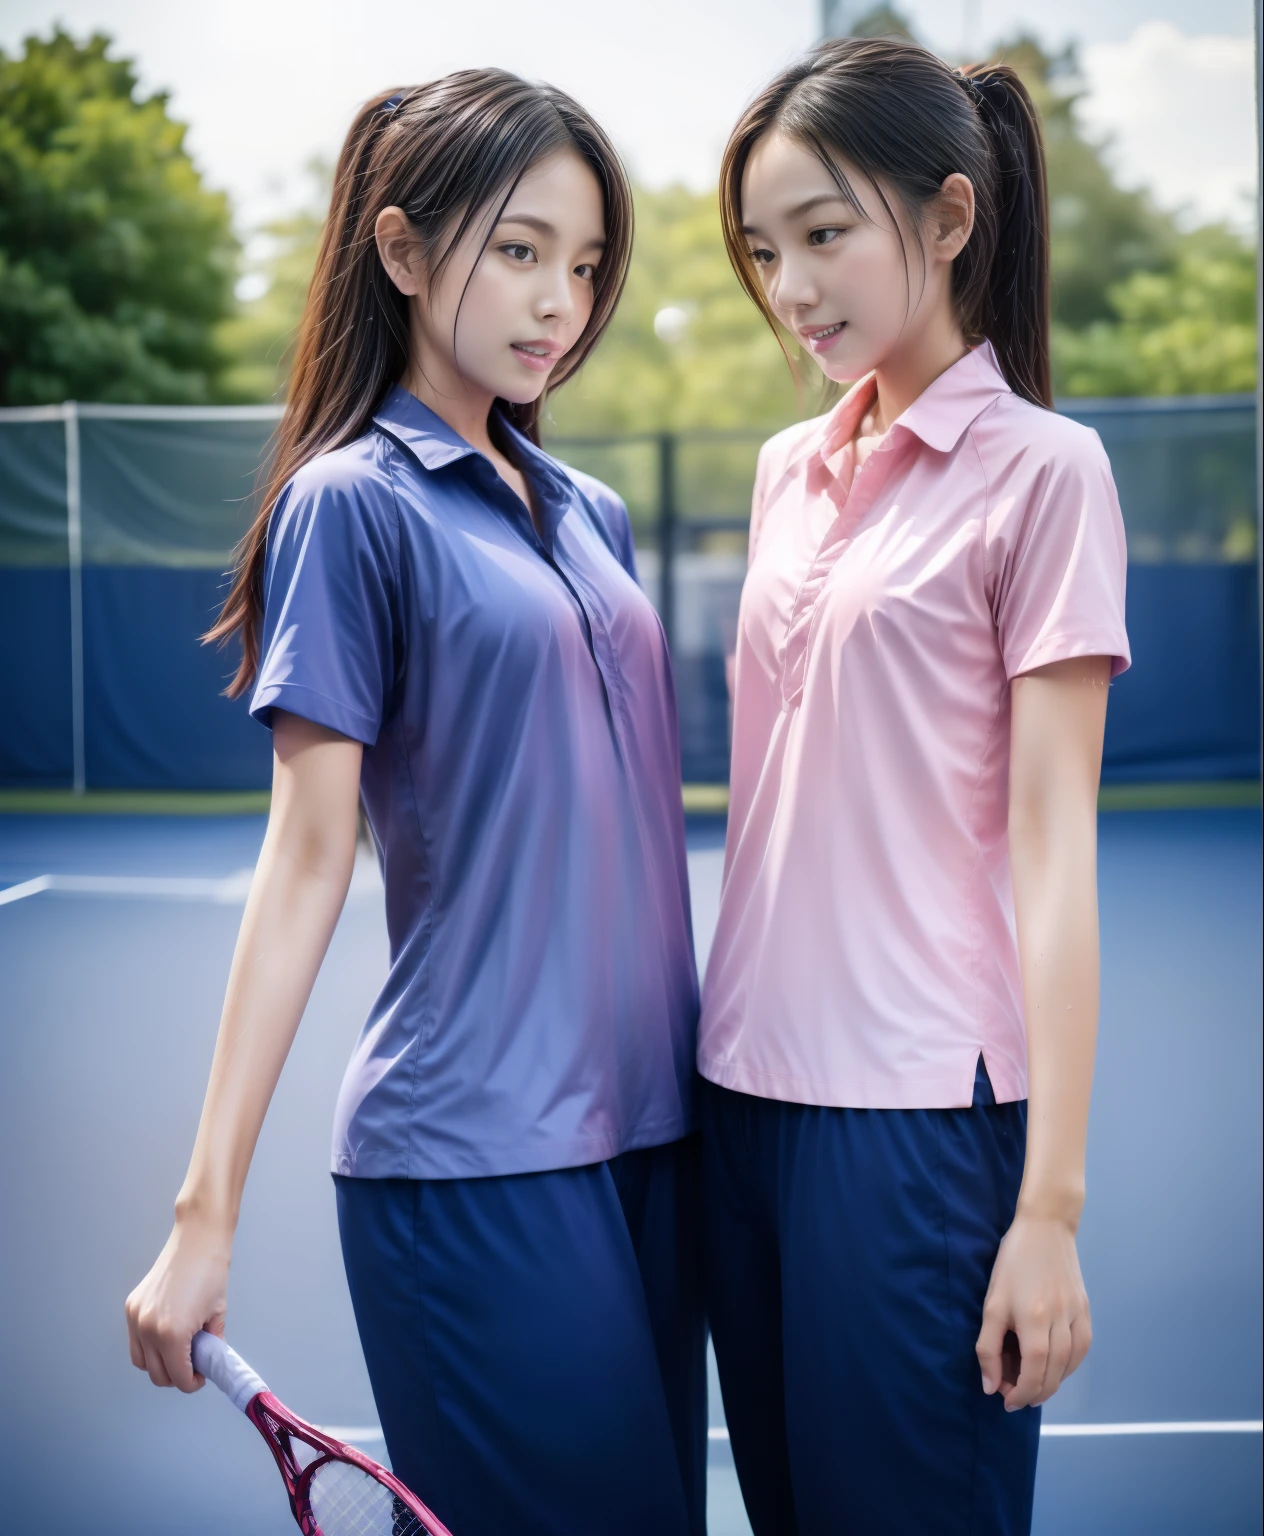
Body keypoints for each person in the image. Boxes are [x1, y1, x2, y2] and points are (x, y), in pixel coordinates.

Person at [125, 70, 705, 1536]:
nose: (558, 300)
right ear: (398, 250)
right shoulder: (352, 503)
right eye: (518, 251)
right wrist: (205, 1218)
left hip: (659, 1143)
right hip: (476, 1153)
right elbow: (308, 861)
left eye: (583, 265)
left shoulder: (591, 513)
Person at [700, 36, 1130, 1536]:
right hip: (738, 1102)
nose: (793, 287)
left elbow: (1054, 846)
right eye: (765, 250)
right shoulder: (779, 470)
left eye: (826, 233)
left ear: (948, 220)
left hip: (914, 1131)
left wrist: (1051, 1209)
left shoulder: (1046, 471)